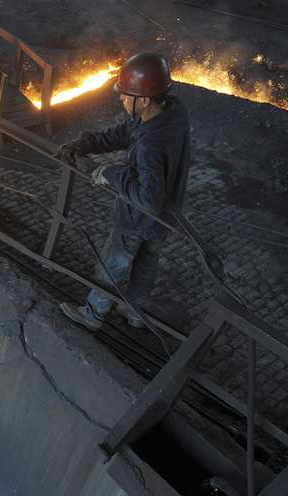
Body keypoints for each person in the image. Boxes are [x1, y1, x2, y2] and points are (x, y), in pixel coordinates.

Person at [55, 52, 190, 331]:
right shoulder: (171, 113)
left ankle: (93, 315)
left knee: (113, 264)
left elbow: (147, 199)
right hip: (168, 213)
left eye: (126, 95)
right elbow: (124, 133)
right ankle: (135, 310)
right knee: (147, 261)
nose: (121, 99)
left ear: (144, 100)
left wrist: (111, 174)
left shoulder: (150, 144)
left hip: (139, 217)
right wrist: (85, 143)